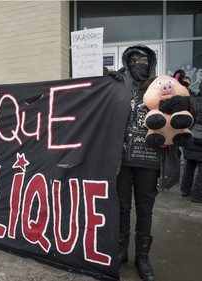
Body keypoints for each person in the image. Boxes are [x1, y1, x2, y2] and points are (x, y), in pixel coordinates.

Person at [116, 45, 160, 281]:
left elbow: (186, 107)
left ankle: (142, 257)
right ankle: (121, 251)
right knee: (122, 207)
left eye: (143, 61)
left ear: (150, 63)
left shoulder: (160, 86)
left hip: (149, 159)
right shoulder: (118, 85)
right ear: (127, 63)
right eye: (134, 62)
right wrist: (104, 81)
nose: (139, 66)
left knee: (145, 210)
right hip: (121, 160)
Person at [180, 82, 202, 202]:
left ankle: (185, 190)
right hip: (200, 140)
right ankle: (198, 194)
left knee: (190, 164)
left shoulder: (193, 100)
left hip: (190, 135)